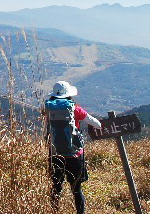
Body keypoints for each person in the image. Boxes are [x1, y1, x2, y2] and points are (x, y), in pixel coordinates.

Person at [44, 81, 101, 214]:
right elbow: (97, 124)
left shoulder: (48, 109)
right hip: (75, 155)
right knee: (77, 190)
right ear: (69, 95)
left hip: (55, 153)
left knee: (56, 187)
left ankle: (54, 211)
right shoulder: (75, 109)